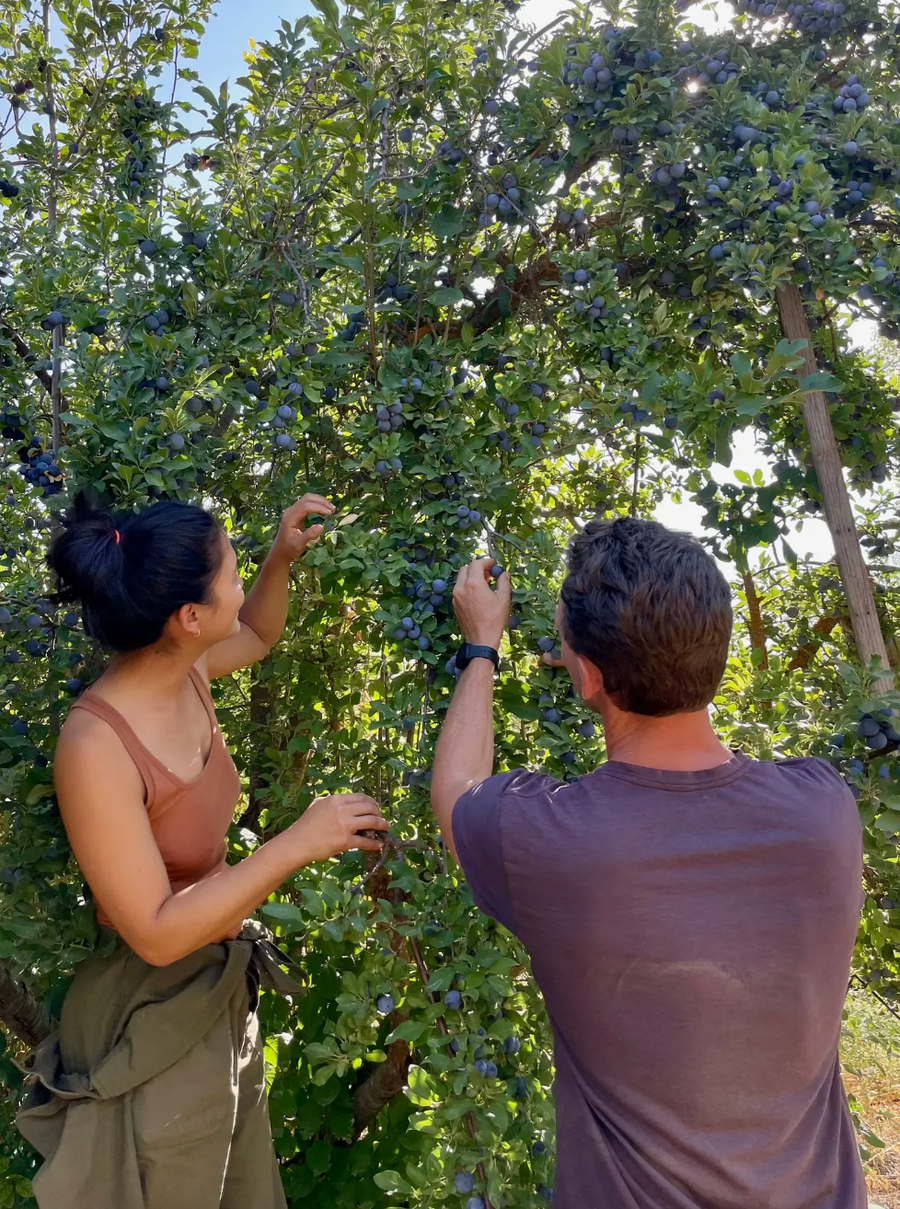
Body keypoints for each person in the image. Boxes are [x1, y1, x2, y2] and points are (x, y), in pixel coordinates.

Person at [431, 517, 866, 1209]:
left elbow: (454, 792)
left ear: (593, 674)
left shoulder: (549, 839)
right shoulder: (825, 810)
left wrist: (482, 646)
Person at [17, 490, 388, 1209]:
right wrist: (291, 846)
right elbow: (153, 931)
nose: (240, 585)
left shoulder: (188, 667)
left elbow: (256, 632)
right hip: (146, 1010)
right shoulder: (96, 745)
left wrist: (281, 557)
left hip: (214, 992)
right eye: (232, 573)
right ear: (189, 617)